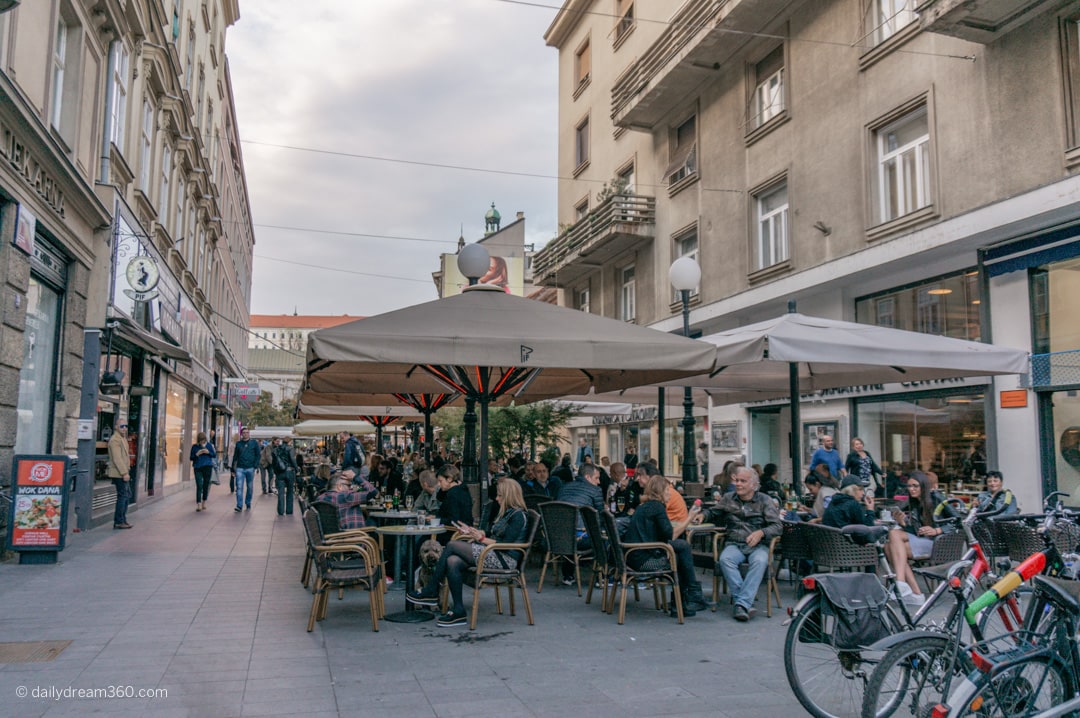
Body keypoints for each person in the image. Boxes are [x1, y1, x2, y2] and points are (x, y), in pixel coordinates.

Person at [407, 478, 530, 627]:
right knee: (453, 561)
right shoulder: (507, 514)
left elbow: (505, 545)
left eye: (500, 495)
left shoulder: (518, 516)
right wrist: (474, 532)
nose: (497, 499)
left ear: (509, 495)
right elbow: (492, 534)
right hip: (494, 554)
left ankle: (431, 590)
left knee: (452, 545)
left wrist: (482, 538)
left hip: (505, 559)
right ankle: (458, 611)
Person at [625, 474, 708, 616]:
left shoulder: (645, 506)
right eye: (667, 490)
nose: (670, 493)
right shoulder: (657, 507)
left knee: (680, 549)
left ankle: (684, 603)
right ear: (660, 492)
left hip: (633, 556)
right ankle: (687, 599)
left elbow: (661, 535)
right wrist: (689, 517)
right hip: (644, 561)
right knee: (681, 555)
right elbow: (671, 535)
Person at [710, 466, 783, 621]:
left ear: (753, 485)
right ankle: (743, 604)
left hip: (758, 546)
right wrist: (701, 515)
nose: (738, 484)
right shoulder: (728, 498)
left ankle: (741, 603)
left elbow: (778, 526)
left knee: (760, 561)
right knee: (725, 559)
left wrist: (761, 532)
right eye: (737, 480)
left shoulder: (764, 500)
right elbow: (714, 512)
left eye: (743, 481)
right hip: (734, 543)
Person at [886, 472, 950, 605]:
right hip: (922, 541)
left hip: (939, 543)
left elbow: (959, 521)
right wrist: (902, 523)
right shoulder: (914, 502)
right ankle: (914, 592)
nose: (911, 489)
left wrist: (937, 530)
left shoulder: (937, 498)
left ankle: (904, 585)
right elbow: (915, 532)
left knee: (893, 539)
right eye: (909, 486)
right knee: (889, 545)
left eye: (915, 486)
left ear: (923, 486)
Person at [556, 463, 606, 585]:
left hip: (557, 539)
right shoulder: (595, 490)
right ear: (588, 477)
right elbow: (601, 516)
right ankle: (603, 576)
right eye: (597, 478)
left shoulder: (564, 487)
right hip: (580, 539)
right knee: (605, 538)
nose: (599, 482)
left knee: (570, 528)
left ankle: (568, 575)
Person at [436, 465, 473, 540]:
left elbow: (453, 520)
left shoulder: (452, 495)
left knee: (421, 539)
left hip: (453, 533)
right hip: (462, 530)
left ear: (449, 479)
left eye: (440, 481)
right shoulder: (461, 490)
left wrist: (436, 520)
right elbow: (439, 497)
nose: (438, 484)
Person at [107, 423, 133, 529]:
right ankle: (119, 521)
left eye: (126, 426)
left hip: (123, 472)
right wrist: (124, 473)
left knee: (126, 495)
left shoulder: (123, 439)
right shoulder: (115, 440)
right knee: (123, 496)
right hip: (119, 473)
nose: (124, 428)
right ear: (116, 427)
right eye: (122, 426)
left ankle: (122, 519)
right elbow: (117, 458)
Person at [230, 428, 261, 512]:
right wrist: (233, 469)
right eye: (243, 433)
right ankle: (239, 505)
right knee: (239, 487)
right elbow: (235, 456)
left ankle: (248, 502)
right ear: (241, 434)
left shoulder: (254, 443)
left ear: (249, 433)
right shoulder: (239, 444)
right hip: (240, 468)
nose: (245, 434)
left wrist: (255, 466)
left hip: (250, 468)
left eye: (247, 432)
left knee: (249, 487)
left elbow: (258, 455)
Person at [189, 431, 216, 512]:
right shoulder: (195, 447)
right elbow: (191, 457)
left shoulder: (209, 445)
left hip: (207, 467)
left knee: (205, 485)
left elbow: (214, 455)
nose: (202, 442)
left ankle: (204, 501)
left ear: (205, 439)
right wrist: (197, 454)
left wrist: (208, 452)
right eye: (200, 441)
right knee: (199, 485)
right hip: (198, 467)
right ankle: (199, 504)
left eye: (203, 440)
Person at [274, 436, 299, 516]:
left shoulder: (277, 449)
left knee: (281, 492)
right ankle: (289, 510)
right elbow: (292, 459)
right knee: (290, 492)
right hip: (289, 471)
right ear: (289, 441)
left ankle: (280, 511)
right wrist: (297, 468)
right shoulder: (290, 448)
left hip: (280, 472)